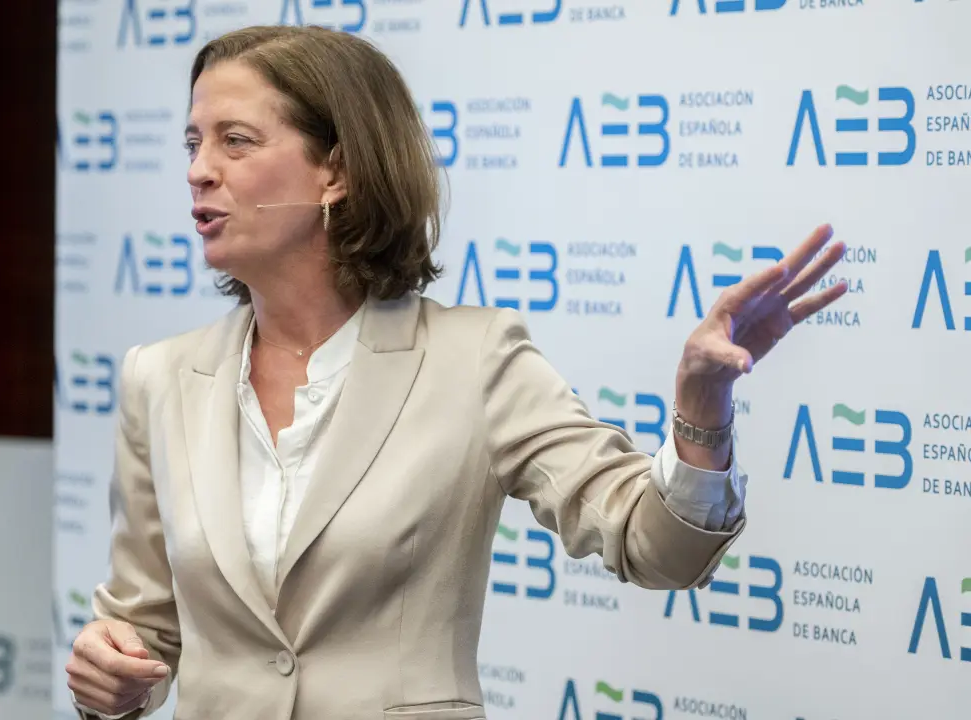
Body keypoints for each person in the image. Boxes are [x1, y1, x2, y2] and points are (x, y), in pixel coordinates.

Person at [65, 24, 847, 720]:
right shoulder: (158, 378)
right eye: (192, 144)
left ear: (336, 172)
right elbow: (141, 633)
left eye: (235, 141)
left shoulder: (474, 360)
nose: (199, 170)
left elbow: (658, 549)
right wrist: (109, 674)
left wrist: (701, 407)